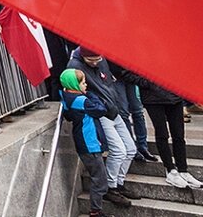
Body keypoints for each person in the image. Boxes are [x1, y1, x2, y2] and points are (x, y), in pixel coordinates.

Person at [67, 47, 139, 206]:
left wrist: (115, 104)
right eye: (91, 60)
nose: (95, 63)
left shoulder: (102, 59)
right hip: (101, 113)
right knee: (118, 151)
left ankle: (119, 183)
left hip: (114, 109)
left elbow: (107, 83)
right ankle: (111, 188)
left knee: (130, 149)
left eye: (98, 59)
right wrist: (103, 106)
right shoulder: (75, 66)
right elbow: (76, 90)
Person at [120, 69, 202, 188]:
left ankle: (183, 170)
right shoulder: (142, 53)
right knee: (162, 134)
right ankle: (170, 170)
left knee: (178, 135)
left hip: (174, 94)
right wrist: (147, 82)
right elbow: (126, 73)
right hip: (153, 98)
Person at [60, 69, 112, 217]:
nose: (86, 85)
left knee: (98, 176)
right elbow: (101, 109)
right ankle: (95, 211)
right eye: (83, 83)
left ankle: (97, 207)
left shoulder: (67, 98)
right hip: (90, 143)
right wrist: (91, 95)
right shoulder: (81, 100)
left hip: (85, 143)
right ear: (74, 85)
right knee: (100, 179)